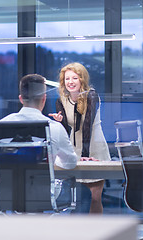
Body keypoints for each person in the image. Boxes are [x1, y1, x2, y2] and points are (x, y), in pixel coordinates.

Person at [0, 73, 91, 213]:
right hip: (45, 195)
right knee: (85, 194)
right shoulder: (54, 127)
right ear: (44, 98)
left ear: (21, 99)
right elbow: (71, 163)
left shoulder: (1, 125)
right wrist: (52, 160)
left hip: (7, 195)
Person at [49, 62, 111, 214]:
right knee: (77, 199)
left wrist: (85, 156)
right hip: (73, 149)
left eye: (74, 78)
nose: (70, 82)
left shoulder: (91, 95)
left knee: (95, 198)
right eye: (67, 78)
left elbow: (87, 126)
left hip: (94, 147)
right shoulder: (61, 100)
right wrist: (59, 122)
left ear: (82, 79)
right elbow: (64, 130)